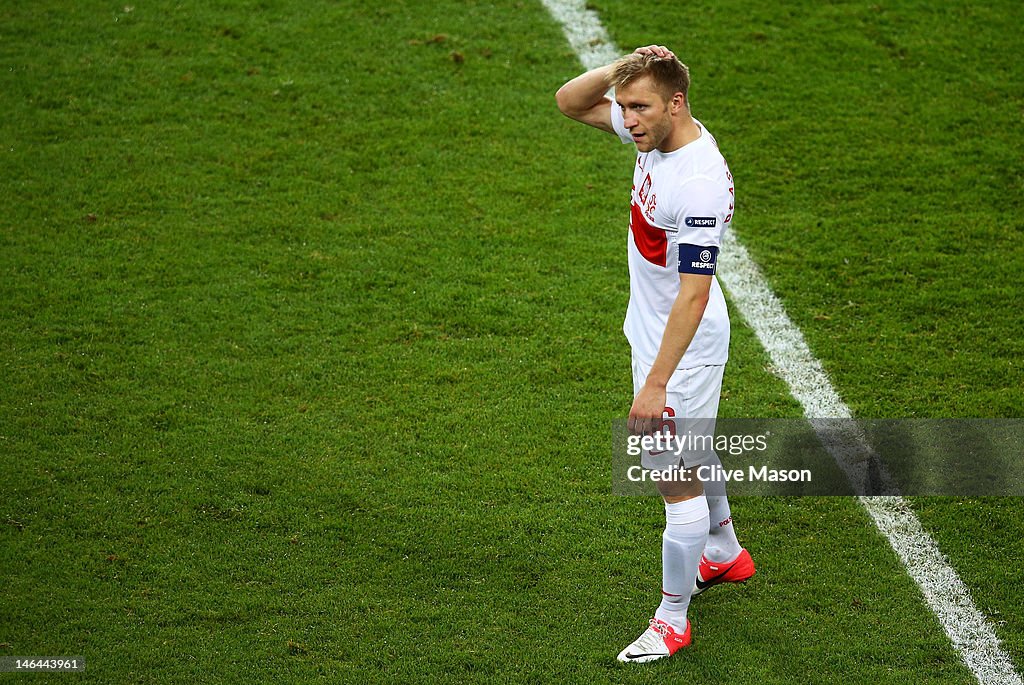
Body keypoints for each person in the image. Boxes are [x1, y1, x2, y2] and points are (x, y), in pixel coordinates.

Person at [555, 45, 755, 663]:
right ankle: (725, 554)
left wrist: (656, 384)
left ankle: (672, 619)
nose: (627, 119)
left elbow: (694, 294)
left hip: (681, 348)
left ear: (677, 103)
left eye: (639, 107)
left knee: (672, 479)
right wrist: (624, 67)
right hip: (661, 335)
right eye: (624, 107)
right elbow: (569, 102)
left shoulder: (695, 183)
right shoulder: (657, 136)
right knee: (693, 452)